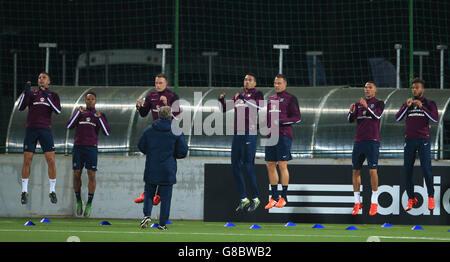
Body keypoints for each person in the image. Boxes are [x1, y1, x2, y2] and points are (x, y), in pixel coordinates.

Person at [218, 73, 264, 212]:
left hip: (249, 133)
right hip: (238, 133)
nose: (247, 82)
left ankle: (256, 198)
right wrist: (221, 101)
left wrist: (244, 98)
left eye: (250, 80)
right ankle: (244, 199)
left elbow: (259, 107)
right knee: (235, 166)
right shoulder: (238, 95)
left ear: (255, 83)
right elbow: (224, 109)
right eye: (245, 80)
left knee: (248, 166)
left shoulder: (257, 94)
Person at [138, 106, 188, 230]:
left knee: (149, 193)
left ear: (159, 115)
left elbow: (141, 146)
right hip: (168, 168)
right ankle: (162, 224)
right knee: (166, 198)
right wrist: (172, 155)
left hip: (152, 166)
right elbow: (183, 151)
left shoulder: (149, 130)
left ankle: (147, 215)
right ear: (171, 116)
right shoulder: (175, 130)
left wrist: (151, 153)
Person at [134, 73, 180, 203]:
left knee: (168, 164)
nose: (158, 85)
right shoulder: (151, 96)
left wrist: (168, 105)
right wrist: (139, 107)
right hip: (156, 133)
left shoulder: (172, 96)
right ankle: (148, 193)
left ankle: (158, 194)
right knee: (152, 164)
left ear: (166, 84)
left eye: (160, 83)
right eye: (156, 83)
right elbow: (144, 114)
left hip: (169, 134)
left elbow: (177, 116)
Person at [17, 72, 61, 205]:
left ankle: (52, 191)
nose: (41, 80)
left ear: (49, 82)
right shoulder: (32, 94)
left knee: (51, 160)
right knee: (27, 160)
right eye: (39, 78)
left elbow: (58, 111)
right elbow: (20, 108)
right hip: (31, 130)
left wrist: (46, 95)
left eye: (44, 78)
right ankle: (24, 191)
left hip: (45, 130)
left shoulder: (53, 95)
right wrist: (25, 93)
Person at [395, 78, 438, 211]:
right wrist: (405, 107)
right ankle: (411, 198)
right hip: (409, 141)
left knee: (426, 169)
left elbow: (435, 118)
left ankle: (431, 196)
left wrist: (422, 107)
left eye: (417, 87)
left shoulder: (430, 103)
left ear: (422, 89)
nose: (414, 90)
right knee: (407, 170)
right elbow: (397, 118)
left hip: (423, 140)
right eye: (413, 88)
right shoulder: (408, 104)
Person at [66, 91, 111, 217]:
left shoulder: (100, 115)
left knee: (91, 174)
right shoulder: (80, 113)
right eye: (88, 99)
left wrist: (100, 117)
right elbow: (69, 125)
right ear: (85, 101)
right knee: (76, 173)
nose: (90, 101)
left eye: (92, 99)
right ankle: (79, 200)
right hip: (78, 147)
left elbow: (107, 132)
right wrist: (77, 113)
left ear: (95, 101)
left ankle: (89, 203)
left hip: (91, 148)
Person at [347, 81, 385, 216]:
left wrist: (366, 107)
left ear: (375, 90)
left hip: (372, 141)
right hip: (359, 141)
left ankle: (374, 202)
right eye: (365, 87)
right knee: (355, 171)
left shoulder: (379, 103)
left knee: (372, 171)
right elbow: (350, 120)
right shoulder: (358, 104)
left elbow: (377, 116)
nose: (367, 89)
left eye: (370, 87)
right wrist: (350, 112)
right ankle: (357, 202)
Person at [264, 74, 301, 210]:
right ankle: (274, 196)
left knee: (282, 165)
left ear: (285, 84)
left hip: (284, 135)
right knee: (269, 164)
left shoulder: (291, 98)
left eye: (279, 83)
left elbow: (297, 118)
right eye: (275, 83)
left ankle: (284, 197)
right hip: (270, 136)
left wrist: (281, 121)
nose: (276, 85)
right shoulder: (271, 99)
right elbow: (269, 117)